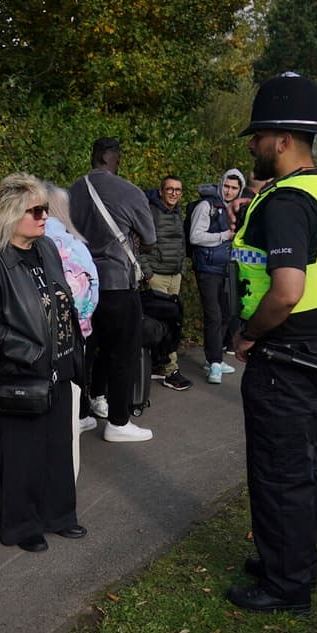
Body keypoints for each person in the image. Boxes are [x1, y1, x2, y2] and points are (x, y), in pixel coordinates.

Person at [227, 73, 317, 615]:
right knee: (295, 468)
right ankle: (281, 557)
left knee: (282, 473)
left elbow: (286, 290)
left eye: (257, 136)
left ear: (281, 139)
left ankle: (287, 586)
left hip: (284, 357)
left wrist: (248, 334)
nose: (252, 146)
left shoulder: (285, 203)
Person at [0, 173, 85, 552]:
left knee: (58, 446)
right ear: (10, 214)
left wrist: (71, 347)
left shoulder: (48, 249)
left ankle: (59, 515)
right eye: (35, 210)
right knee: (23, 453)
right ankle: (22, 526)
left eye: (45, 210)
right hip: (23, 372)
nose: (43, 217)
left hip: (60, 364)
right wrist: (33, 353)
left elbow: (60, 300)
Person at [69, 137, 156, 442]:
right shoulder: (128, 190)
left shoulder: (73, 191)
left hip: (81, 286)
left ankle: (81, 414)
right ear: (111, 158)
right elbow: (150, 238)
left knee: (85, 352)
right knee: (123, 353)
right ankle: (118, 422)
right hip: (118, 282)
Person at [44, 183, 100, 433]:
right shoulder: (74, 244)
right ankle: (76, 418)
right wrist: (84, 321)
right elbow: (92, 286)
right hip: (74, 330)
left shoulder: (29, 240)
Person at [189, 170, 243, 384]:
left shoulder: (238, 209)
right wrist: (224, 236)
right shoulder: (206, 206)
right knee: (213, 315)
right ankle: (214, 362)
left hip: (229, 269)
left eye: (234, 188)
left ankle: (215, 358)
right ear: (221, 184)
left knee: (228, 314)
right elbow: (195, 236)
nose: (229, 191)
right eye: (227, 186)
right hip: (208, 268)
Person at [139, 175, 192, 391]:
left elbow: (181, 242)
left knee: (170, 323)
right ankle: (171, 371)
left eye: (178, 190)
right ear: (161, 191)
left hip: (174, 275)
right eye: (170, 189)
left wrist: (182, 267)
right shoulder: (151, 211)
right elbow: (140, 243)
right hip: (157, 276)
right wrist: (148, 273)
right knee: (165, 323)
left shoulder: (178, 212)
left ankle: (159, 366)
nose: (174, 193)